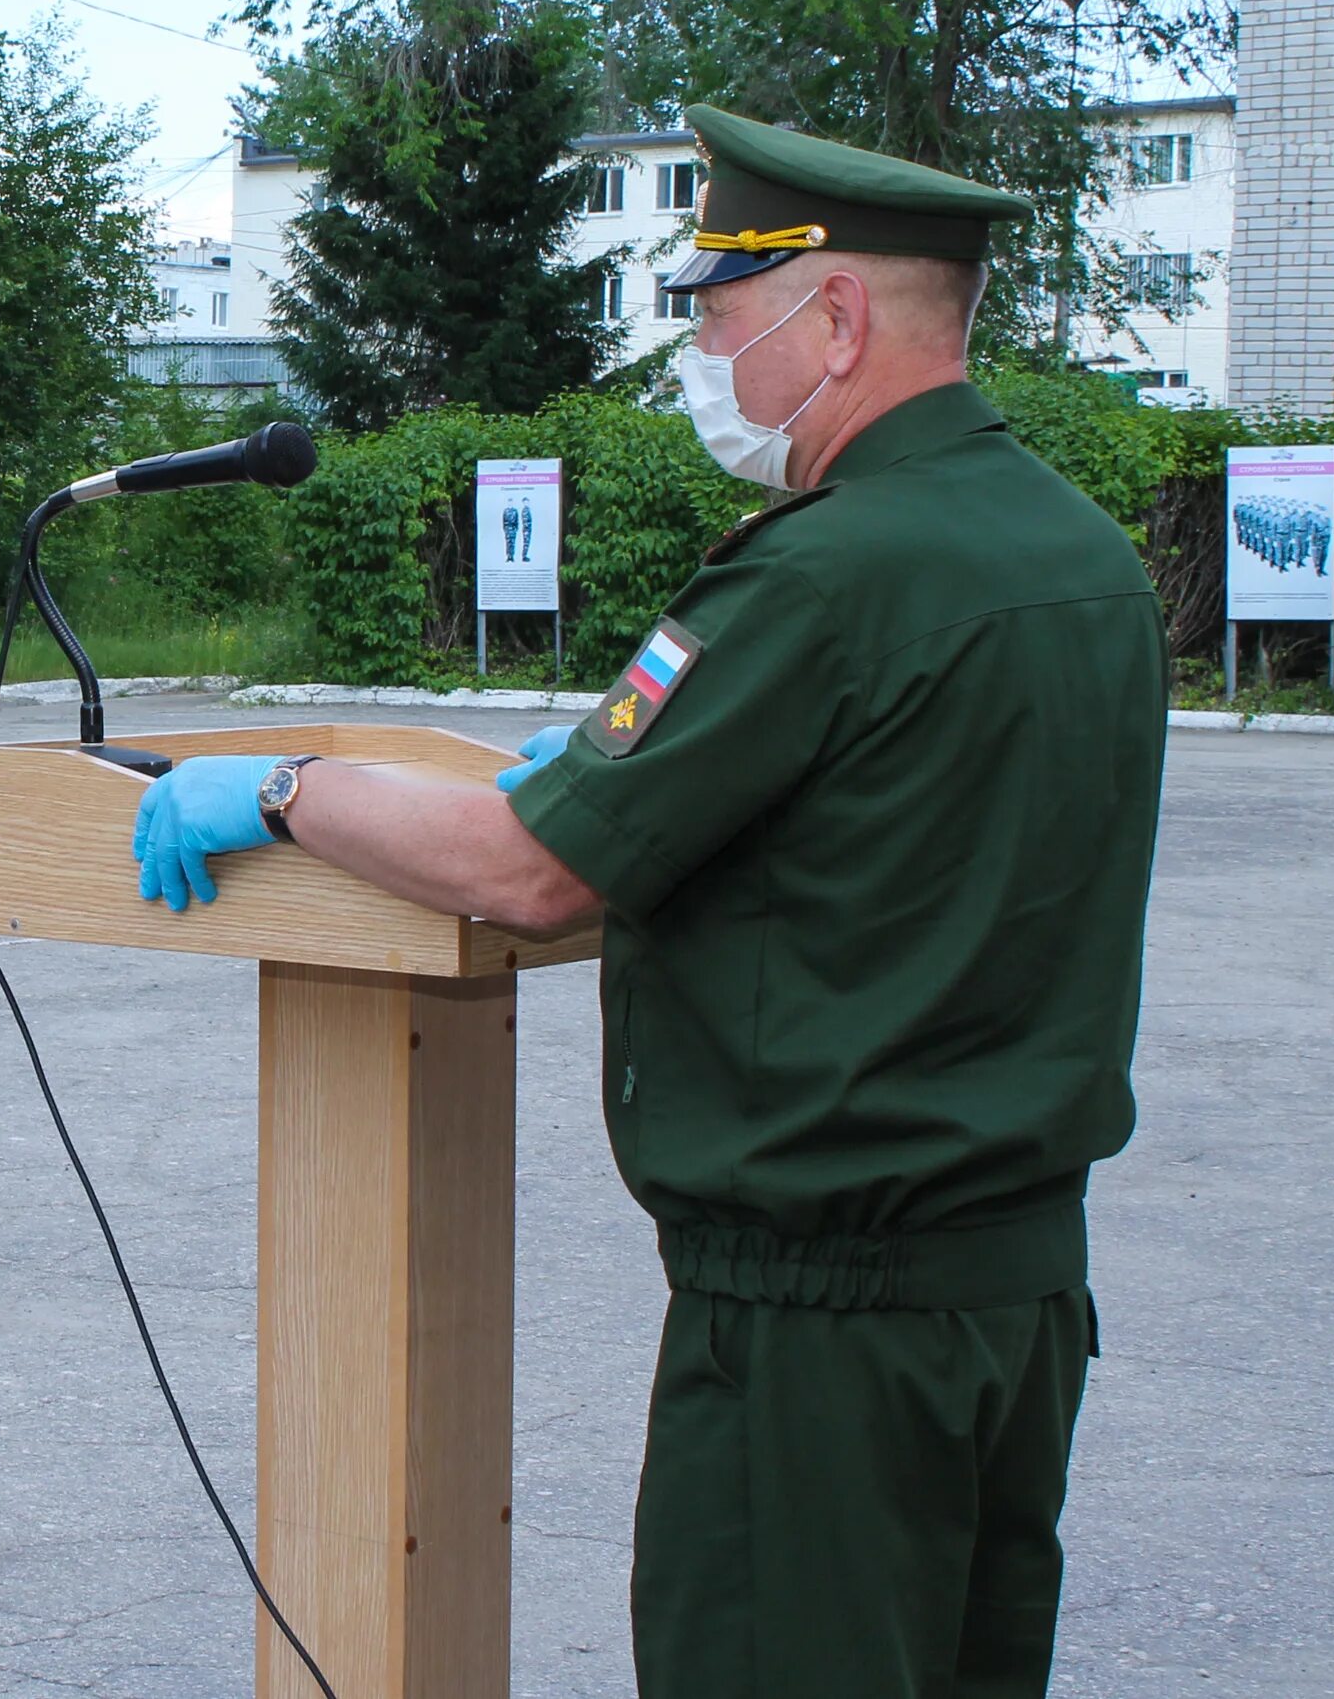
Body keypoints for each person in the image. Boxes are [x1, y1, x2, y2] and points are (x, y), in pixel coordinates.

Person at [129, 104, 1167, 1699]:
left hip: (823, 1330)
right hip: (1012, 1303)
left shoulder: (822, 572)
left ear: (832, 316)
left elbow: (529, 872)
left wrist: (275, 789)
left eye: (719, 313)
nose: (702, 354)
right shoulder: (1083, 556)